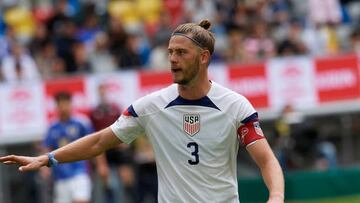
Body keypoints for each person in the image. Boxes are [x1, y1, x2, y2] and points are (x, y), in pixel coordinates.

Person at [0, 19, 284, 203]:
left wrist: (276, 196)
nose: (172, 59)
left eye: (181, 53)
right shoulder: (151, 106)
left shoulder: (235, 106)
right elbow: (100, 141)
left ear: (204, 57)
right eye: (170, 52)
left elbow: (267, 161)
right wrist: (49, 157)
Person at [42, 91, 94, 203]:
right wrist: (44, 169)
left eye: (65, 104)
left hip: (79, 173)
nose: (63, 108)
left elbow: (95, 143)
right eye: (60, 105)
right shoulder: (52, 127)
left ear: (71, 104)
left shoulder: (82, 122)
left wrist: (101, 165)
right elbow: (46, 148)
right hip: (60, 177)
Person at [90, 83, 135, 203]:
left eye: (104, 91)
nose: (103, 94)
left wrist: (124, 144)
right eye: (100, 92)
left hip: (117, 148)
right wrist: (100, 161)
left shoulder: (115, 109)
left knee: (127, 179)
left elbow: (123, 127)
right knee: (106, 180)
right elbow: (93, 135)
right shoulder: (94, 113)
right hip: (104, 150)